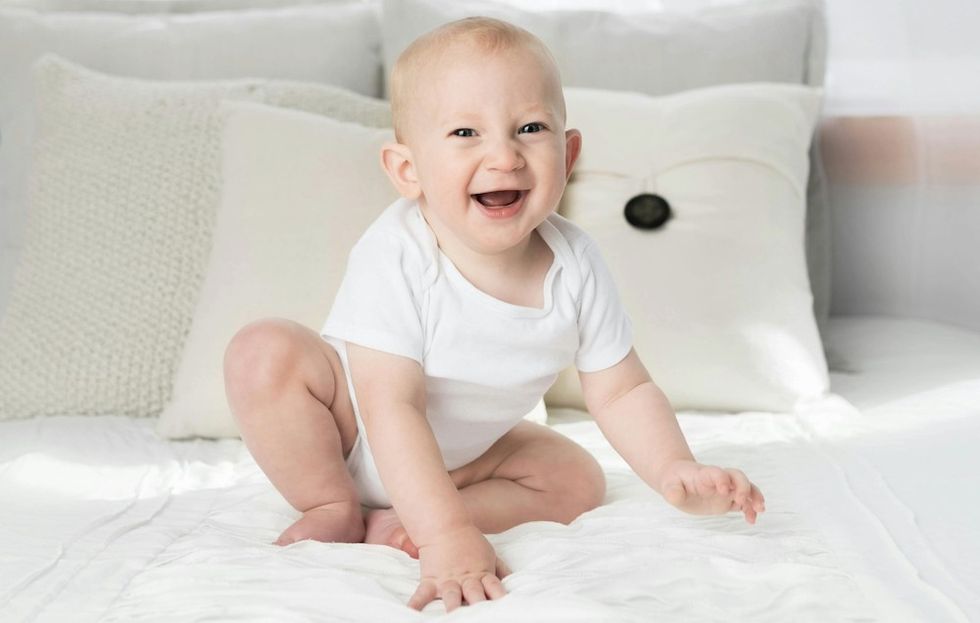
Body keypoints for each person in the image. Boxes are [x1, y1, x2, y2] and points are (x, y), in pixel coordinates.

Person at [223, 16, 767, 613]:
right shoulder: (398, 252)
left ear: (570, 152)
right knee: (263, 351)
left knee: (576, 479)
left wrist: (674, 469)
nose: (503, 156)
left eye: (530, 128)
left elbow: (622, 391)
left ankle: (402, 520)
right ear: (408, 170)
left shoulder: (576, 263)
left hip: (463, 458)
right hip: (350, 428)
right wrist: (448, 539)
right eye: (465, 132)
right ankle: (333, 504)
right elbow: (391, 406)